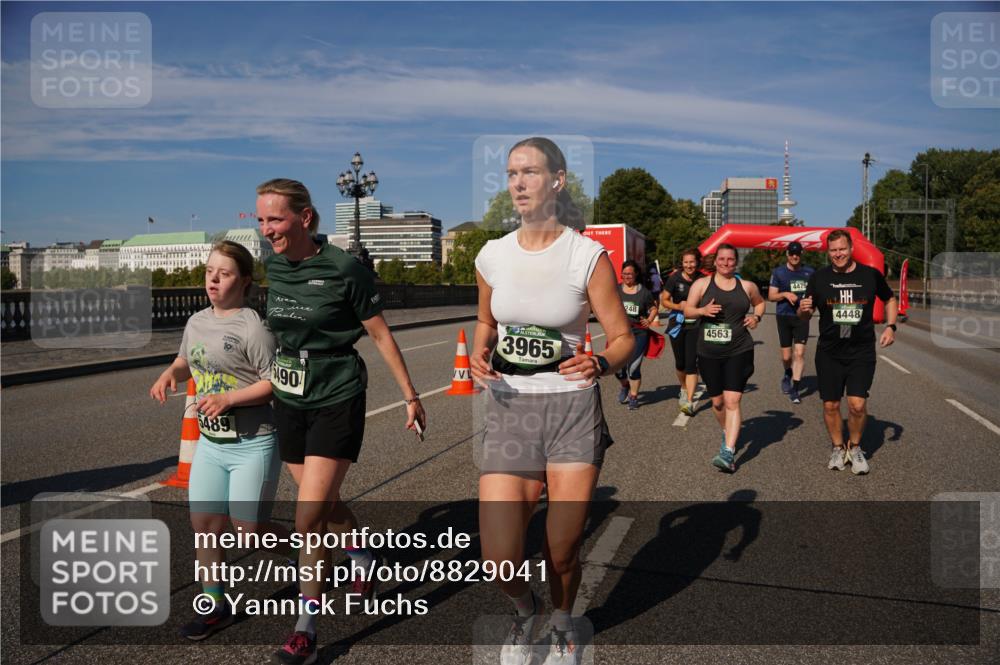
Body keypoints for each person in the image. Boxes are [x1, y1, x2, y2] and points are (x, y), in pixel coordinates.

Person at [470, 137, 633, 665]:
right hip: (511, 408)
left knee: (561, 549)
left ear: (557, 181)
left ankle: (563, 624)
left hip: (570, 411)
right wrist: (479, 352)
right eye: (512, 173)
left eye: (530, 173)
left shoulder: (586, 255)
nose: (517, 182)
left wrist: (602, 362)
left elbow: (624, 336)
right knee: (498, 557)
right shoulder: (491, 255)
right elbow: (487, 322)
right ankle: (525, 613)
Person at [256, 178, 427, 665]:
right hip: (291, 398)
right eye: (263, 219)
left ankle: (305, 631)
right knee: (326, 507)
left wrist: (410, 395)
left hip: (337, 394)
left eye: (276, 219)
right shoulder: (273, 266)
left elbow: (380, 335)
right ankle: (361, 556)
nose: (267, 229)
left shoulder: (344, 269)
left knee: (309, 517)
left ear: (305, 218)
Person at [150, 240, 291, 641]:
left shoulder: (253, 326)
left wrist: (229, 397)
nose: (213, 278)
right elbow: (186, 359)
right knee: (206, 527)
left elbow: (274, 383)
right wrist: (168, 375)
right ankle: (215, 605)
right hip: (211, 445)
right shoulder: (196, 321)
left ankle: (309, 555)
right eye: (210, 270)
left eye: (224, 272)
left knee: (251, 531)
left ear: (244, 281)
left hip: (254, 442)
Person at [798, 229, 897, 475]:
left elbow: (890, 299)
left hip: (861, 350)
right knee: (831, 405)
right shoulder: (818, 278)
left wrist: (891, 326)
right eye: (833, 250)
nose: (838, 254)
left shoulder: (870, 275)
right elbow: (805, 314)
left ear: (851, 248)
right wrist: (803, 309)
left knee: (856, 404)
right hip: (830, 351)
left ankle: (854, 447)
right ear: (827, 252)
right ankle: (837, 447)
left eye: (842, 249)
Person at [683, 244, 765, 473]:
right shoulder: (702, 284)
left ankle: (728, 452)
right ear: (715, 261)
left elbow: (760, 303)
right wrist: (701, 311)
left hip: (739, 349)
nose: (726, 263)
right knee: (717, 402)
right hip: (708, 352)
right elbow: (687, 310)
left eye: (730, 259)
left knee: (732, 401)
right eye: (722, 259)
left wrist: (756, 317)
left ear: (736, 262)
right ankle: (727, 431)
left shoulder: (747, 286)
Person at [768, 241, 815, 404]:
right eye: (792, 253)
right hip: (784, 316)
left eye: (798, 253)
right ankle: (788, 372)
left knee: (800, 353)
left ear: (801, 254)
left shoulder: (810, 272)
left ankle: (795, 389)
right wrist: (786, 294)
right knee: (787, 356)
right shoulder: (779, 272)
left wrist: (812, 307)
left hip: (802, 317)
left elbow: (814, 295)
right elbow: (771, 296)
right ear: (787, 254)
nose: (795, 256)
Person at [662, 249, 702, 415]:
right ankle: (684, 388)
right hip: (678, 323)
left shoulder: (702, 279)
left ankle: (689, 400)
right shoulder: (675, 278)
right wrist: (678, 306)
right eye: (686, 262)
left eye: (692, 262)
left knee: (691, 363)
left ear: (697, 262)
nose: (689, 265)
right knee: (680, 363)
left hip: (696, 324)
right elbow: (663, 300)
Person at [615, 259, 658, 411]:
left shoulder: (644, 292)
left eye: (630, 274)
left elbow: (653, 308)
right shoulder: (616, 290)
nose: (627, 277)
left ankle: (633, 396)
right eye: (624, 273)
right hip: (619, 333)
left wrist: (649, 320)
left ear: (636, 274)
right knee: (617, 367)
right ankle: (624, 385)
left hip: (639, 333)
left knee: (633, 367)